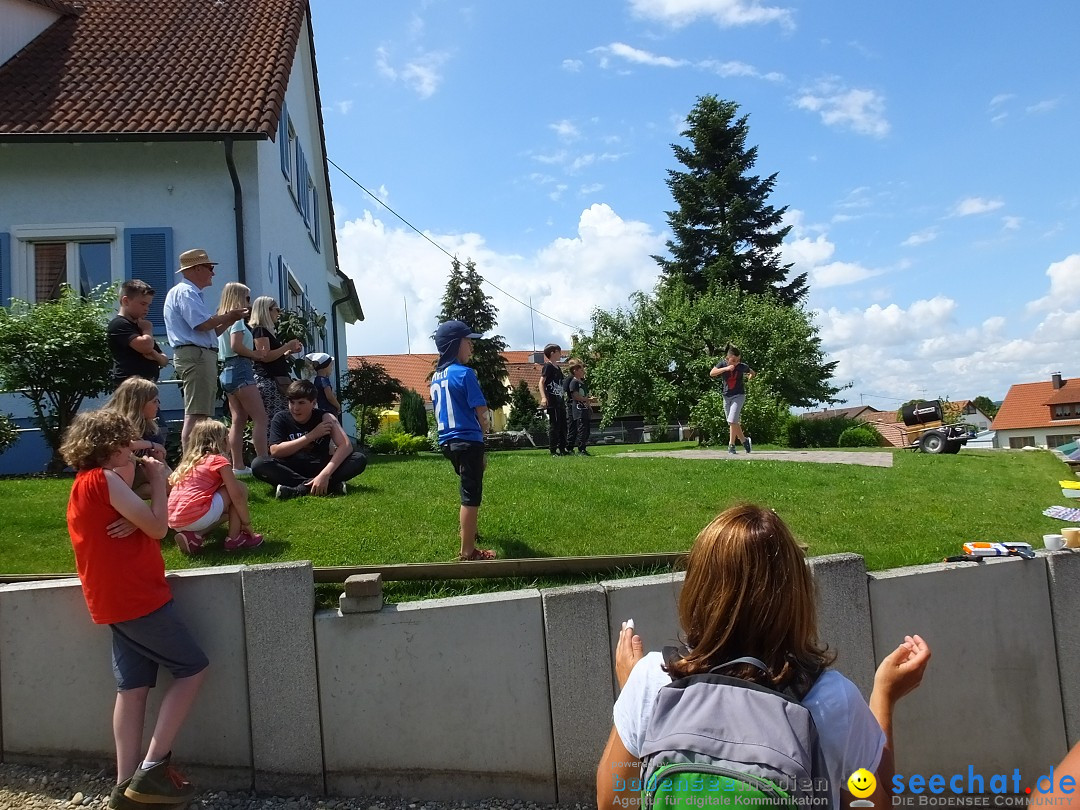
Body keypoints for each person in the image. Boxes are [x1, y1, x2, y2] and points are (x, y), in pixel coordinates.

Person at [596, 504, 931, 810]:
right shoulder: (832, 700)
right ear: (795, 595)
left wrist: (635, 691)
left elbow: (613, 804)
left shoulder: (651, 680)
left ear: (697, 589)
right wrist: (884, 695)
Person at [60, 409, 207, 809]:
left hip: (111, 601)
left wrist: (139, 510)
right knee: (193, 668)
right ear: (109, 448)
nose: (132, 451)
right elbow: (161, 527)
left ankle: (124, 787)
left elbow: (140, 517)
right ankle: (153, 768)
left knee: (133, 688)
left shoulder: (86, 483)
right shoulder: (106, 479)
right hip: (137, 597)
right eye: (126, 444)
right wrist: (159, 482)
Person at [162, 248, 246, 450]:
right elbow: (201, 325)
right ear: (197, 268)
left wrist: (230, 318)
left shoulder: (189, 293)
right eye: (210, 267)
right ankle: (190, 465)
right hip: (196, 355)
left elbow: (209, 331)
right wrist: (228, 316)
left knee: (199, 412)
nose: (213, 273)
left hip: (198, 354)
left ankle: (193, 463)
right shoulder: (186, 292)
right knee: (197, 414)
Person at [431, 320, 496, 561]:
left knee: (477, 470)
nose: (471, 347)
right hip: (468, 440)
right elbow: (481, 411)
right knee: (471, 495)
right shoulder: (466, 374)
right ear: (455, 345)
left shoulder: (437, 378)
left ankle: (471, 528)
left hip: (448, 442)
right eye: (468, 342)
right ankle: (468, 551)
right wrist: (485, 428)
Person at [251, 379, 367, 500]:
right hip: (290, 468)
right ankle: (328, 487)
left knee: (359, 459)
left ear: (313, 403)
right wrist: (311, 435)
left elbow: (346, 446)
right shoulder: (281, 418)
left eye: (301, 403)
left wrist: (325, 474)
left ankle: (300, 489)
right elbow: (275, 451)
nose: (295, 408)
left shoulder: (325, 417)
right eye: (292, 402)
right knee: (259, 464)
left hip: (319, 465)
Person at [167, 419, 263, 554]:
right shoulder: (218, 460)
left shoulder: (189, 463)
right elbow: (237, 496)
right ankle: (234, 539)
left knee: (225, 511)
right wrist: (247, 524)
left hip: (175, 520)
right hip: (196, 515)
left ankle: (194, 537)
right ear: (222, 440)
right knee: (239, 487)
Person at [216, 282, 268, 473]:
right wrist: (255, 354)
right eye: (247, 297)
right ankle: (264, 462)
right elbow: (236, 345)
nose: (249, 302)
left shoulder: (224, 321)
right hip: (240, 368)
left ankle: (238, 465)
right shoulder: (237, 320)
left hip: (227, 370)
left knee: (238, 419)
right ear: (237, 298)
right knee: (260, 418)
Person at [103, 377, 169, 498]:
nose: (158, 405)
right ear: (138, 404)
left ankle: (133, 497)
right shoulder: (115, 424)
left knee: (168, 485)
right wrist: (152, 444)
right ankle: (121, 500)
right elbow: (126, 445)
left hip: (138, 475)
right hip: (113, 475)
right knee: (128, 460)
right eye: (154, 401)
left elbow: (159, 460)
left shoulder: (149, 426)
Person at [249, 295, 303, 432]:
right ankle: (271, 448)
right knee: (274, 418)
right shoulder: (260, 330)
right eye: (276, 309)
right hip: (269, 381)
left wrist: (288, 352)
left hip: (274, 380)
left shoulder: (265, 331)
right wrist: (287, 346)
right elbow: (265, 356)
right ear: (266, 310)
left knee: (279, 417)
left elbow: (272, 357)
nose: (279, 313)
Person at [107, 279, 169, 389]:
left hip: (147, 387)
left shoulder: (139, 327)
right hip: (129, 386)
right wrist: (148, 330)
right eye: (143, 304)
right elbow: (145, 346)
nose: (147, 309)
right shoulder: (119, 324)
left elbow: (164, 360)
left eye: (148, 305)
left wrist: (154, 354)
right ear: (126, 301)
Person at [709, 344, 756, 454]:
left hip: (738, 396)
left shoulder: (741, 366)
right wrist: (726, 368)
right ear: (727, 359)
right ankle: (745, 441)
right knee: (732, 422)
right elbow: (712, 373)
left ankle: (731, 445)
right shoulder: (722, 364)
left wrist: (750, 377)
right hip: (726, 396)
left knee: (732, 420)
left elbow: (752, 373)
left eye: (738, 360)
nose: (736, 363)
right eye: (734, 360)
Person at [539, 342, 569, 457]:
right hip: (552, 401)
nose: (561, 354)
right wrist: (543, 397)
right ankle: (553, 450)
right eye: (559, 352)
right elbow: (541, 382)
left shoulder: (558, 368)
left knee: (563, 426)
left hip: (560, 401)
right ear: (552, 353)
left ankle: (562, 449)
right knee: (555, 425)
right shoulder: (548, 366)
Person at [566, 358, 591, 456]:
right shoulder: (574, 382)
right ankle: (580, 449)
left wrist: (589, 405)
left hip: (584, 409)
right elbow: (575, 396)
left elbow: (585, 395)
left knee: (586, 430)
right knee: (581, 429)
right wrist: (587, 400)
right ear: (575, 371)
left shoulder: (582, 383)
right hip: (578, 409)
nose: (583, 372)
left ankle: (584, 448)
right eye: (581, 370)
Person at [307, 351, 341, 418]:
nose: (331, 369)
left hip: (321, 410)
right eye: (331, 366)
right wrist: (338, 406)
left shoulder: (317, 380)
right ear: (325, 366)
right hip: (328, 412)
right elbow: (329, 396)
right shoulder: (324, 380)